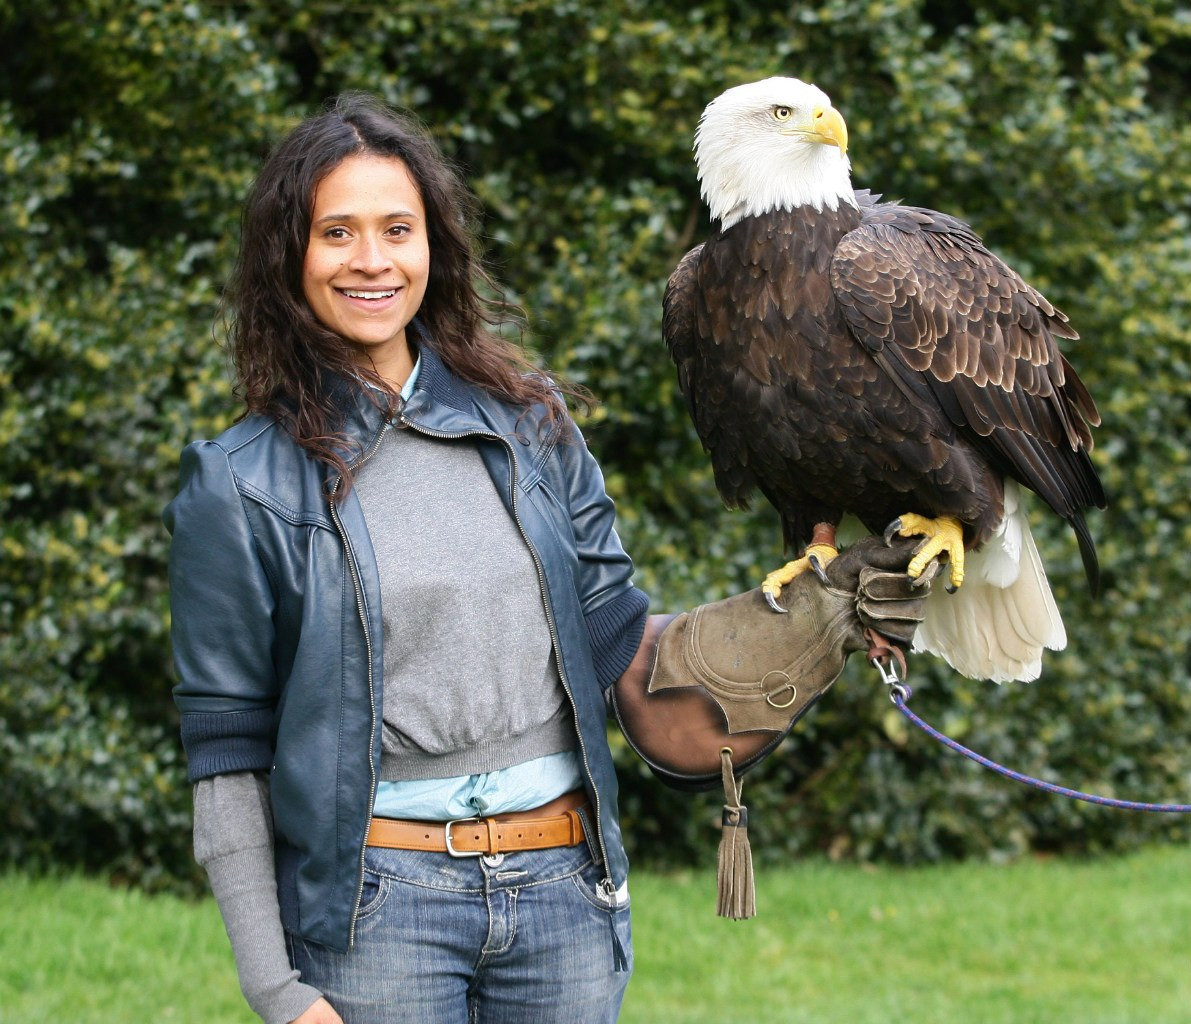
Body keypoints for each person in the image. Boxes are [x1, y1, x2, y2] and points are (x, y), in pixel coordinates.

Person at [164, 93, 931, 1024]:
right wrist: (277, 991)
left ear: (433, 247)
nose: (372, 260)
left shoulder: (530, 425)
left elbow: (615, 642)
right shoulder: (239, 481)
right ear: (290, 255)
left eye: (397, 229)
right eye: (337, 233)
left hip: (564, 895)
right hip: (377, 912)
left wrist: (823, 613)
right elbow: (229, 750)